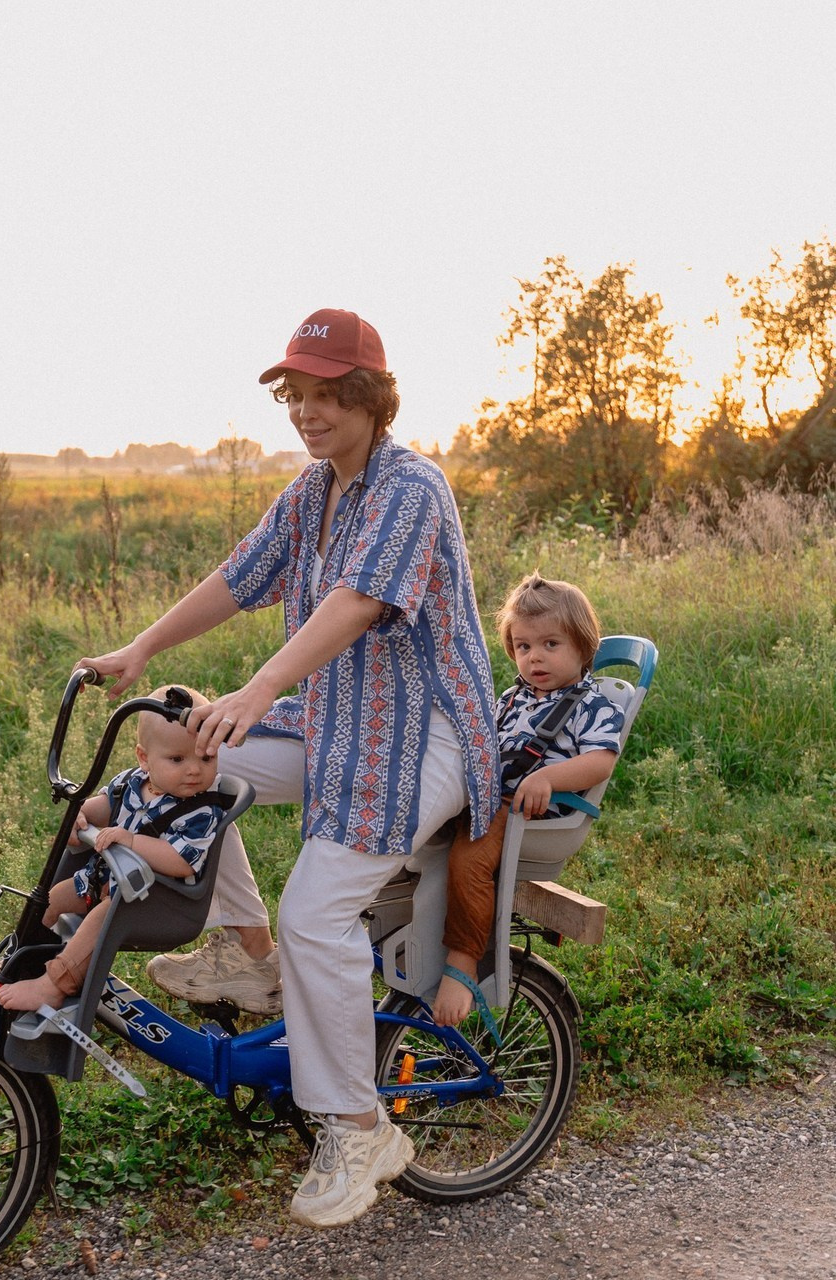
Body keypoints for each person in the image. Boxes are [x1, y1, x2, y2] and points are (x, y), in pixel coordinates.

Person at [80, 309, 501, 1230]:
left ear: (370, 399)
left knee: (321, 910)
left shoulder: (411, 488)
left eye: (329, 395)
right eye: (298, 396)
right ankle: (248, 949)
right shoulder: (315, 492)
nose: (309, 412)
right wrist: (143, 648)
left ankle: (361, 1130)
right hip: (341, 717)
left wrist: (260, 689)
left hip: (421, 731)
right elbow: (240, 577)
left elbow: (354, 605)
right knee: (198, 767)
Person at [433, 572, 625, 1025]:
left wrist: (549, 778)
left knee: (472, 858)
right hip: (490, 797)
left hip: (532, 813)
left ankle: (461, 963)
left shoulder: (592, 705)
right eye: (523, 647)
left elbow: (601, 761)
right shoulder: (514, 697)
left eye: (550, 644)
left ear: (583, 645)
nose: (534, 657)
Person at [0, 686, 223, 1013]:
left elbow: (181, 862)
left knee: (102, 917)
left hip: (154, 900)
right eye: (177, 759)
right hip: (106, 882)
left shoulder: (201, 810)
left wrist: (130, 840)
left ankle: (55, 985)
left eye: (206, 756)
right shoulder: (132, 782)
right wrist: (81, 815)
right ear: (144, 758)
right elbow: (103, 806)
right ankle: (20, 962)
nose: (195, 769)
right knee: (54, 898)